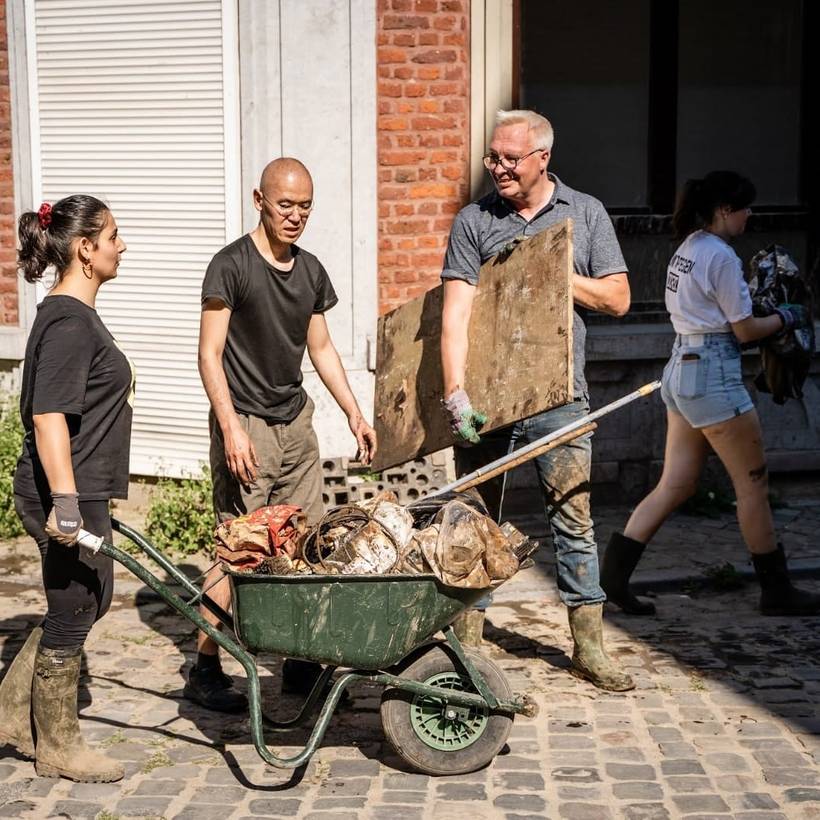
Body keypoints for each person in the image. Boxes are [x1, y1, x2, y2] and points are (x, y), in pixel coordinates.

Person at [440, 109, 634, 691]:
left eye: (508, 158)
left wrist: (550, 269)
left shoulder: (586, 213)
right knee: (475, 521)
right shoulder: (474, 221)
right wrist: (455, 392)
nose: (497, 167)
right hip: (488, 401)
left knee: (573, 521)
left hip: (561, 397)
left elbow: (619, 298)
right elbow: (455, 311)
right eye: (492, 157)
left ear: (542, 158)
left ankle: (588, 646)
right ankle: (467, 644)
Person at [185, 157, 378, 712]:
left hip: (295, 426)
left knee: (302, 544)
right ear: (260, 200)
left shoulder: (312, 271)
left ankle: (299, 663)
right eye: (285, 204)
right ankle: (204, 666)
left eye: (305, 206)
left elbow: (320, 349)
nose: (295, 216)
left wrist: (354, 414)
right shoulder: (231, 266)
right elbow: (209, 354)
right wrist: (230, 429)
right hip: (245, 424)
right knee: (240, 549)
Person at [602, 171, 820, 618]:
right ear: (724, 210)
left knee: (676, 484)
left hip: (681, 371)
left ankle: (614, 578)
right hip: (715, 375)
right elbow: (743, 331)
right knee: (753, 485)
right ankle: (776, 590)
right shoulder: (720, 256)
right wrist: (786, 317)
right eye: (743, 208)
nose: (749, 216)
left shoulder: (688, 248)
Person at [0, 196, 132, 782]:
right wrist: (69, 505)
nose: (121, 246)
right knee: (76, 604)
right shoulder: (70, 322)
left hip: (79, 486)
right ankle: (57, 744)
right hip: (61, 490)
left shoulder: (69, 315)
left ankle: (9, 712)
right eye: (113, 236)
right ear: (86, 248)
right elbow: (49, 414)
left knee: (89, 598)